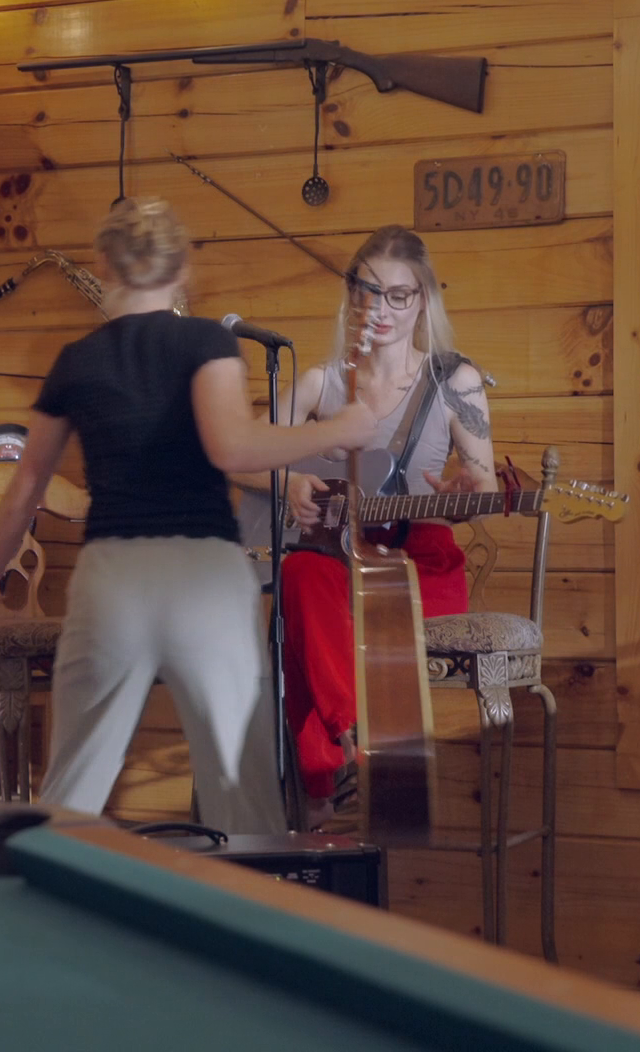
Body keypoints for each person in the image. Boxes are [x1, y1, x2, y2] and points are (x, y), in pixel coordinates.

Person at [0, 198, 375, 833]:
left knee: (70, 791)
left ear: (104, 265)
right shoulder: (206, 341)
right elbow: (231, 447)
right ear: (183, 270)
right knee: (242, 796)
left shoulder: (77, 359)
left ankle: (42, 892)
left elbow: (23, 492)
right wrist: (339, 429)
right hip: (203, 574)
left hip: (112, 579)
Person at [234, 225, 498, 828]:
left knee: (311, 625)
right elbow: (239, 454)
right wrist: (291, 484)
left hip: (418, 567)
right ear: (351, 295)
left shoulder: (456, 382)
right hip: (336, 563)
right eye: (367, 292)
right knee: (300, 578)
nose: (380, 308)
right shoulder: (321, 383)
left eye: (398, 295)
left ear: (423, 300)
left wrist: (465, 497)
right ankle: (351, 741)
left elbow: (481, 490)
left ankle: (328, 777)